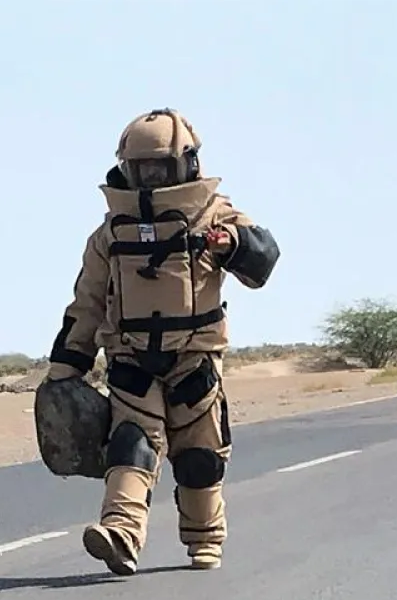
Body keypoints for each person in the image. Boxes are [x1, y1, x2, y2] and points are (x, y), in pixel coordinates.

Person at [41, 108, 280, 576]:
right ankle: (121, 535)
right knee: (131, 444)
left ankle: (205, 538)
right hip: (131, 359)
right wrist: (66, 365)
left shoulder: (216, 215)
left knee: (200, 455)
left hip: (195, 359)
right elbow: (87, 303)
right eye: (141, 169)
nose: (149, 177)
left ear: (186, 164)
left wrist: (232, 245)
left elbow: (265, 259)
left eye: (159, 168)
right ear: (126, 167)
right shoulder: (110, 234)